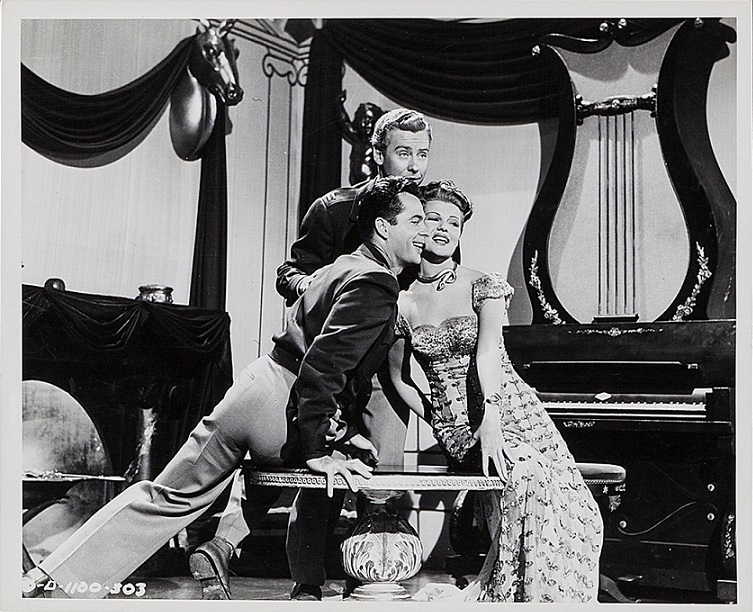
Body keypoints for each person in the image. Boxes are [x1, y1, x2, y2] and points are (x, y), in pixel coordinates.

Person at [21, 176, 428, 599]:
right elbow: (324, 367)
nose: (424, 231)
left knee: (165, 496)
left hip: (253, 388)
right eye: (415, 221)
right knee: (333, 469)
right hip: (283, 407)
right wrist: (318, 450)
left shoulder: (342, 264)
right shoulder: (377, 284)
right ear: (383, 227)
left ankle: (51, 581)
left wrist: (338, 434)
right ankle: (303, 581)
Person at [190, 107, 434, 601]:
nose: (413, 165)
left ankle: (369, 582)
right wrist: (319, 291)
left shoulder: (426, 216)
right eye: (403, 153)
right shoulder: (334, 209)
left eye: (422, 154)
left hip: (387, 366)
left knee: (377, 480)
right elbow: (291, 272)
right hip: (334, 352)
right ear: (377, 155)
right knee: (311, 458)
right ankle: (306, 584)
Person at [388, 180, 604, 602]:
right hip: (460, 428)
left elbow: (488, 351)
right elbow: (399, 379)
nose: (443, 229)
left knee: (573, 505)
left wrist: (490, 416)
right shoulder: (402, 302)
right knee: (524, 476)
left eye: (454, 223)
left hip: (511, 409)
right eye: (433, 218)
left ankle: (547, 598)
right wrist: (437, 418)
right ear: (416, 226)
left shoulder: (482, 285)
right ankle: (512, 596)